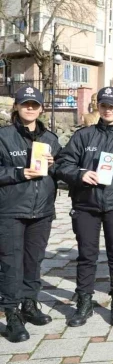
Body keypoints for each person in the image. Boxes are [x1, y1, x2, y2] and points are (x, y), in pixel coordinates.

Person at [55, 87, 113, 327]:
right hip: (86, 204)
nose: (108, 110)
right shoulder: (83, 136)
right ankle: (84, 302)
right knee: (87, 255)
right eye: (104, 105)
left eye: (112, 106)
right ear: (99, 107)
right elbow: (63, 164)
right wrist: (80, 174)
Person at [0, 87, 61, 343]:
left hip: (42, 211)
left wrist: (55, 164)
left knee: (34, 261)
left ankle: (29, 304)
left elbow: (61, 171)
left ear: (41, 108)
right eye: (25, 104)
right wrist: (19, 173)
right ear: (16, 106)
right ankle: (11, 313)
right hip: (12, 210)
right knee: (11, 263)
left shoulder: (51, 138)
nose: (30, 108)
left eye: (35, 104)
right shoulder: (3, 136)